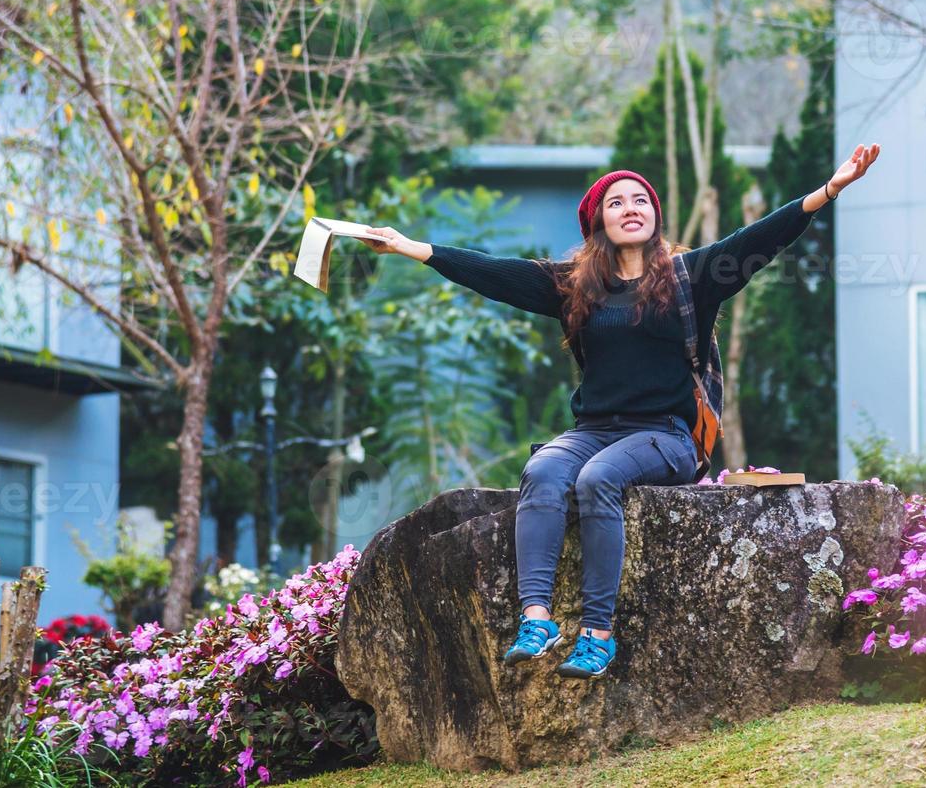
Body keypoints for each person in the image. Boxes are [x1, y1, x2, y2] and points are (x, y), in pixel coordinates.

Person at [362, 143, 882, 679]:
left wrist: (830, 189)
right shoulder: (573, 287)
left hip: (668, 435)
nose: (631, 207)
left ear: (655, 216)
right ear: (597, 222)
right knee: (542, 470)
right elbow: (494, 272)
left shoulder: (691, 276)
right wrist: (410, 247)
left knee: (597, 479)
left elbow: (760, 238)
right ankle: (537, 619)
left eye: (640, 199)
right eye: (616, 202)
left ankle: (597, 634)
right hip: (594, 429)